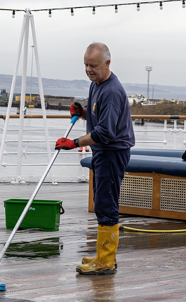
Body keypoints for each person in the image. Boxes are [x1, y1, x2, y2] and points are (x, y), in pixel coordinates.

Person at [55, 42, 135, 275]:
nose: (89, 70)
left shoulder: (111, 91)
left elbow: (105, 132)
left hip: (112, 152)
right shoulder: (97, 83)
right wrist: (82, 111)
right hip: (103, 151)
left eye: (93, 66)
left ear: (107, 63)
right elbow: (96, 112)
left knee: (106, 204)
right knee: (101, 202)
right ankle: (102, 254)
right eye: (86, 65)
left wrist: (74, 143)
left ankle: (106, 261)